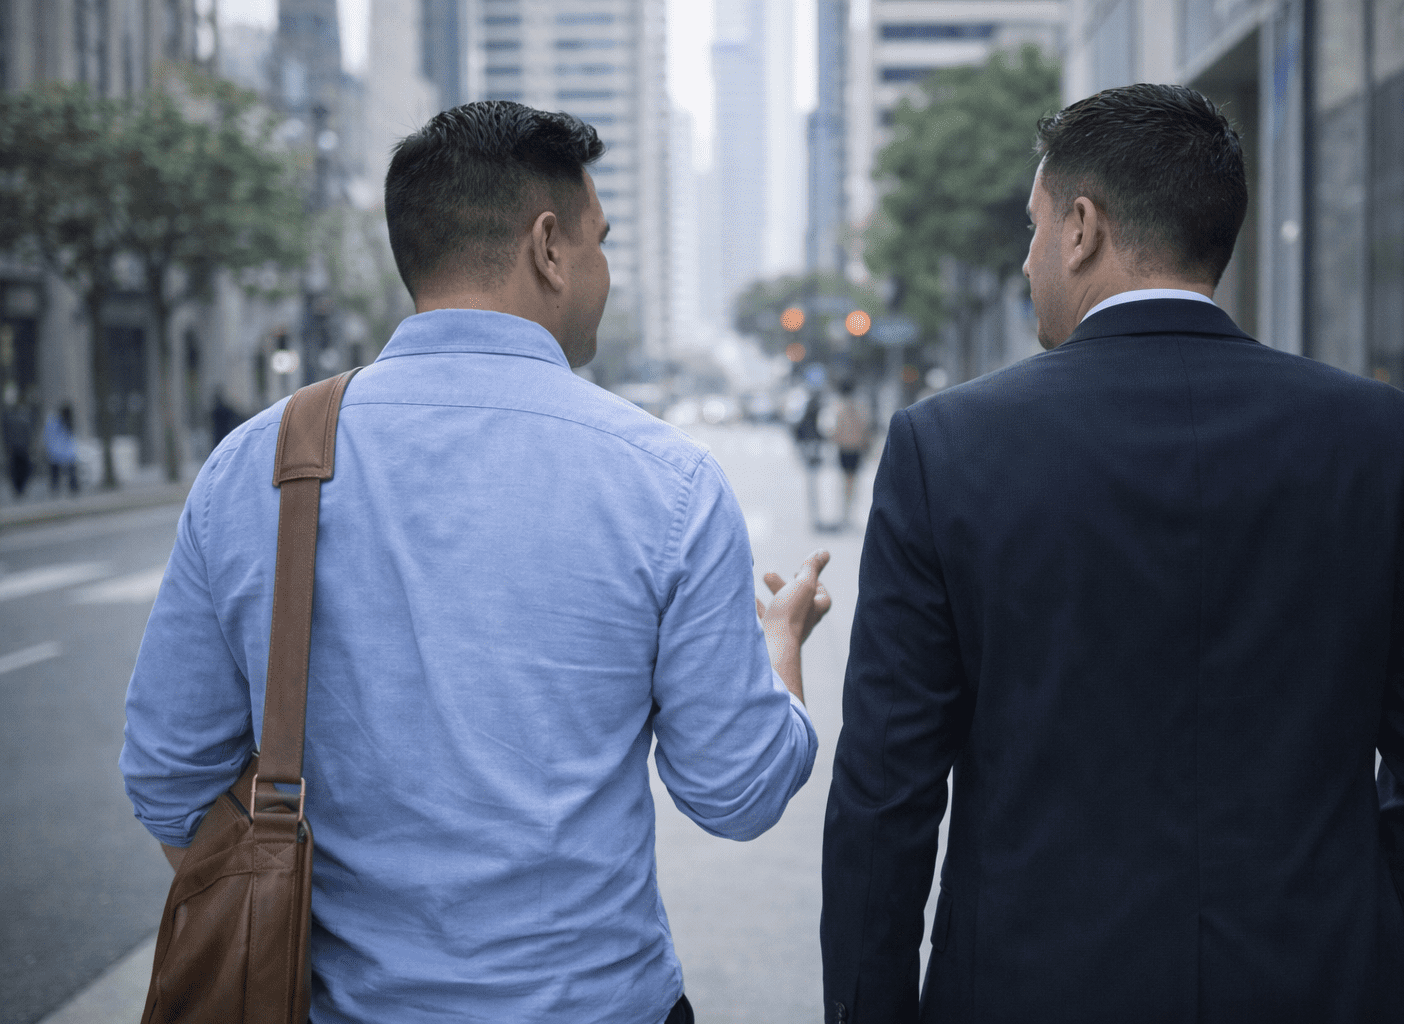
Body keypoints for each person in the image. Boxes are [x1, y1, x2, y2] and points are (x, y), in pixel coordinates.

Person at [122, 101, 832, 1024]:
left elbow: (170, 774)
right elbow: (736, 792)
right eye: (600, 241)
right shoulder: (667, 481)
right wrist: (782, 646)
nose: (605, 269)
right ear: (549, 247)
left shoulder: (258, 464)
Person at [821, 83, 1404, 1023]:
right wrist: (1375, 952)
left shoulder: (949, 449)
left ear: (1083, 228)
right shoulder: (1386, 440)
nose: (1025, 261)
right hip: (1325, 982)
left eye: (1034, 226)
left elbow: (887, 793)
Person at [831, 381, 870, 529]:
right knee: (852, 482)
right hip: (855, 448)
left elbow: (836, 429)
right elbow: (864, 428)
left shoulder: (839, 407)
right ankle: (848, 512)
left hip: (845, 448)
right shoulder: (859, 407)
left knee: (845, 482)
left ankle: (846, 513)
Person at [795, 388, 826, 528]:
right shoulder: (814, 423)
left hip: (810, 454)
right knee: (814, 487)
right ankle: (816, 518)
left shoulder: (804, 423)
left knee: (812, 487)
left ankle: (815, 517)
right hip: (813, 453)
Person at [44, 403, 78, 495]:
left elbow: (48, 435)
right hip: (65, 452)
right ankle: (72, 490)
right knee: (69, 473)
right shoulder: (63, 421)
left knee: (56, 474)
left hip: (57, 451)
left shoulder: (54, 421)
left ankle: (56, 489)